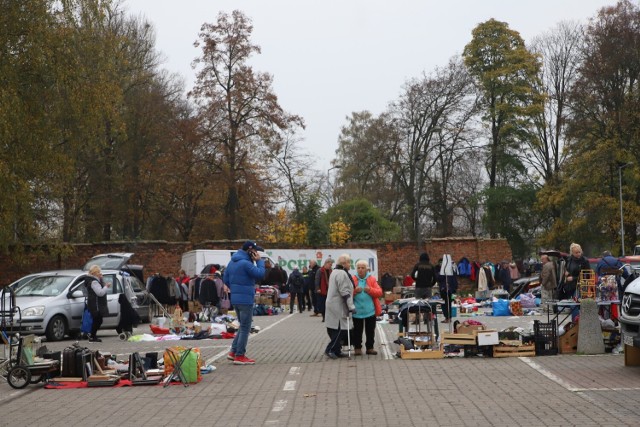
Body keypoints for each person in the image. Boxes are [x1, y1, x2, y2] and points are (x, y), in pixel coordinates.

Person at [223, 241, 266, 365]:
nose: (257, 253)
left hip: (235, 299)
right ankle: (240, 355)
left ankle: (233, 352)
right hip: (245, 299)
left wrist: (235, 289)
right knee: (246, 327)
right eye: (255, 251)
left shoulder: (232, 262)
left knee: (242, 326)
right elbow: (260, 274)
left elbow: (225, 279)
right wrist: (259, 261)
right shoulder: (246, 264)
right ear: (250, 251)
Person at [324, 254, 356, 359]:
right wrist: (351, 307)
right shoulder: (342, 273)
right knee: (341, 329)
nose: (350, 264)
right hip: (338, 305)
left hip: (332, 303)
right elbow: (345, 291)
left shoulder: (334, 272)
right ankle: (330, 349)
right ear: (344, 263)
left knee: (334, 328)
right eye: (349, 262)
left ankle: (336, 350)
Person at [351, 259, 382, 355]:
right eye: (358, 268)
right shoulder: (353, 279)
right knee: (357, 331)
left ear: (366, 269)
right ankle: (357, 348)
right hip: (357, 311)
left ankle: (370, 348)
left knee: (370, 331)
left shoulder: (372, 279)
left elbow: (379, 292)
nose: (360, 270)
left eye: (362, 268)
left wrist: (370, 290)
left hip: (370, 311)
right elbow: (347, 294)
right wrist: (355, 291)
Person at [85, 265, 111, 343]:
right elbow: (100, 293)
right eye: (99, 272)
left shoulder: (95, 280)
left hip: (94, 304)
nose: (100, 273)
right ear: (95, 273)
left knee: (98, 320)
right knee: (98, 320)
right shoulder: (94, 282)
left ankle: (92, 335)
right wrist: (106, 286)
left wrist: (101, 279)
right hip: (96, 305)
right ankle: (92, 335)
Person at [436, 259, 458, 323]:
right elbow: (455, 280)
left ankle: (447, 318)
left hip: (444, 289)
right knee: (449, 304)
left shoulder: (443, 271)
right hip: (452, 290)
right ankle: (449, 317)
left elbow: (439, 278)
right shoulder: (451, 270)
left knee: (444, 304)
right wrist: (455, 289)